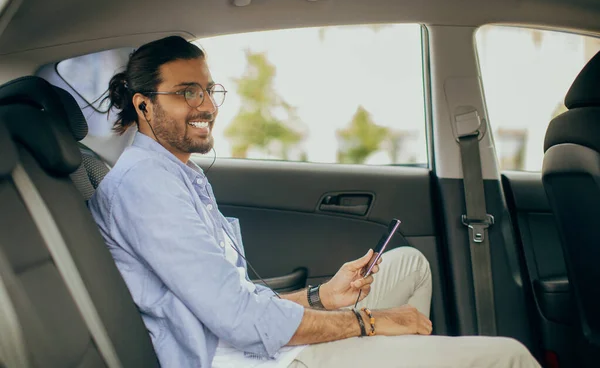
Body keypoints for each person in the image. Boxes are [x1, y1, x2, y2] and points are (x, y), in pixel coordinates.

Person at [89, 36, 540, 368]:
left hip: (245, 337)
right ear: (144, 106)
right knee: (511, 357)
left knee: (410, 266)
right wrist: (369, 322)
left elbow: (233, 296)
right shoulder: (145, 186)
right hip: (238, 360)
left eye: (209, 90)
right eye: (188, 92)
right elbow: (238, 319)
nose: (207, 105)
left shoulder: (178, 173)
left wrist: (321, 296)